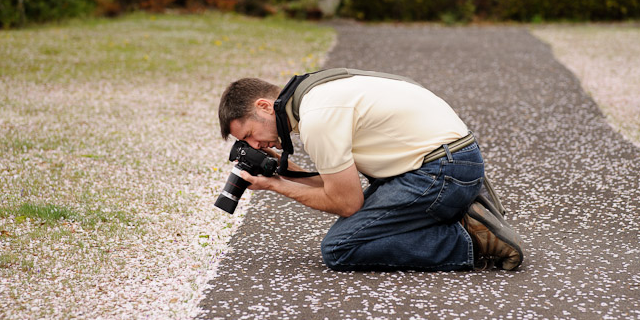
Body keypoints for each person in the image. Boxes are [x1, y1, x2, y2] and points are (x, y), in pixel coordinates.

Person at [218, 69, 523, 272]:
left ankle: (471, 240)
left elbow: (348, 203)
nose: (255, 145)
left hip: (441, 171)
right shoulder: (317, 90)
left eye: (248, 135)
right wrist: (284, 173)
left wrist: (276, 187)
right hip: (453, 159)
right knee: (364, 227)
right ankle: (462, 210)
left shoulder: (317, 118)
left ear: (263, 106)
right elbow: (338, 183)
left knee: (339, 248)